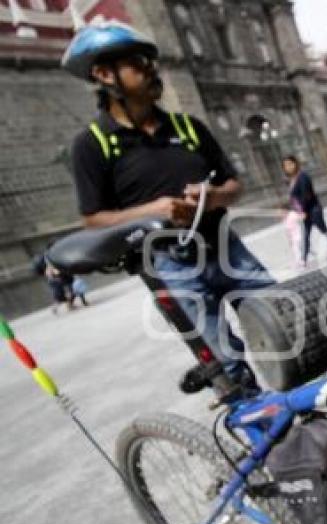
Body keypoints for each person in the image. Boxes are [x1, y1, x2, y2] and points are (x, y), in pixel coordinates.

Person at [62, 21, 272, 391]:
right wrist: (155, 211)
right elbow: (94, 219)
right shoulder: (92, 144)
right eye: (138, 63)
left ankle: (312, 420)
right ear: (103, 74)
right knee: (227, 366)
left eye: (151, 61)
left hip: (226, 247)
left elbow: (234, 185)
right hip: (172, 266)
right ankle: (268, 435)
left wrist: (213, 198)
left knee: (283, 324)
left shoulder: (189, 127)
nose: (151, 69)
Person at [282, 155, 327, 269]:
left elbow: (307, 195)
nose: (288, 167)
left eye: (290, 164)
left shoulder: (303, 176)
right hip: (304, 212)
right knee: (305, 235)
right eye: (285, 165)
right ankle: (303, 260)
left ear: (295, 163)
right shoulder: (291, 180)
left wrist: (304, 210)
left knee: (324, 230)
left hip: (313, 210)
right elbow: (294, 198)